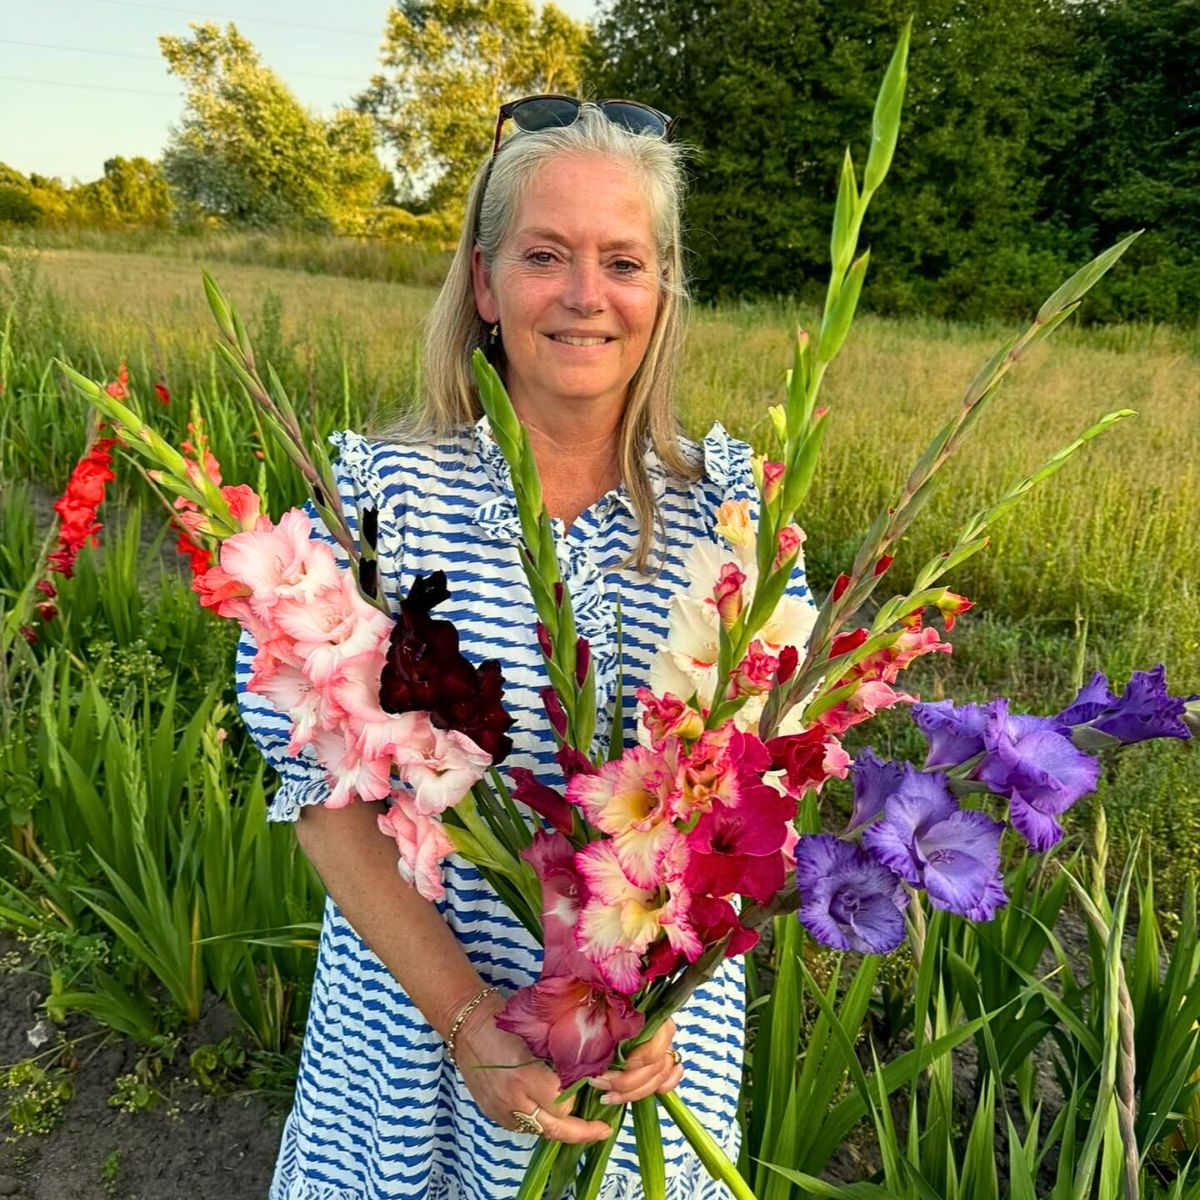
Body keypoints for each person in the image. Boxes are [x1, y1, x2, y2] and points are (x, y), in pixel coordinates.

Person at [236, 97, 814, 1200]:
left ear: (664, 290)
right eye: (546, 255)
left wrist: (662, 999)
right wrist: (469, 1023)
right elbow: (320, 792)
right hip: (423, 1041)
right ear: (486, 284)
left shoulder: (732, 510)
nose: (587, 296)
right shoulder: (373, 499)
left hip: (652, 1058)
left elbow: (749, 794)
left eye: (624, 261)